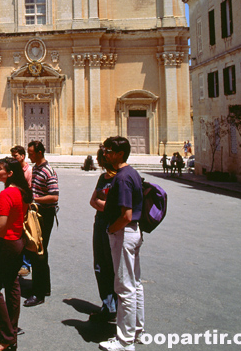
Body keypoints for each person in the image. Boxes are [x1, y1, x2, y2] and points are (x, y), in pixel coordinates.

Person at [99, 137, 145, 351]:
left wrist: (111, 229)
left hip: (124, 233)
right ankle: (136, 331)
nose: (105, 154)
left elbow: (126, 215)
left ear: (119, 153)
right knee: (135, 284)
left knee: (123, 287)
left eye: (109, 151)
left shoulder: (123, 177)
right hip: (133, 232)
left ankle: (124, 341)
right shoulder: (132, 173)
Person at [0, 158, 32, 351]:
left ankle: (7, 336)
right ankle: (11, 329)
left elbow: (1, 224)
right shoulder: (22, 192)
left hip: (5, 243)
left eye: (0, 169)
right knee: (12, 285)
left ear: (9, 173)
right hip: (18, 241)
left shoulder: (6, 193)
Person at [24, 140, 59, 307]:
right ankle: (44, 287)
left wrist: (33, 199)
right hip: (36, 212)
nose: (29, 156)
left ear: (39, 152)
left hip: (44, 213)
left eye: (31, 153)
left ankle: (38, 293)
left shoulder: (48, 171)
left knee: (37, 251)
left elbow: (54, 196)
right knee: (40, 251)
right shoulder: (36, 168)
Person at [89, 147, 117, 323]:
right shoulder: (102, 178)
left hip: (113, 225)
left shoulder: (120, 178)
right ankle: (108, 305)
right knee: (100, 265)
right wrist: (103, 204)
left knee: (113, 266)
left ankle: (117, 307)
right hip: (100, 223)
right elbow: (92, 201)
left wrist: (103, 205)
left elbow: (117, 207)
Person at [10, 145, 32, 277]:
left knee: (26, 236)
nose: (13, 158)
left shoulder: (28, 171)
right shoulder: (14, 170)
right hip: (16, 208)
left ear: (22, 156)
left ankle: (26, 263)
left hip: (24, 207)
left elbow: (29, 191)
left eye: (15, 156)